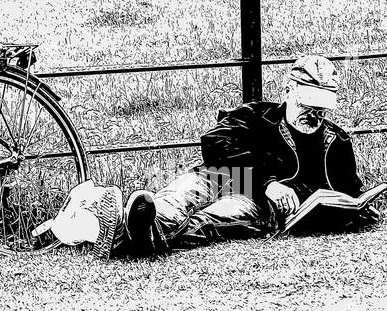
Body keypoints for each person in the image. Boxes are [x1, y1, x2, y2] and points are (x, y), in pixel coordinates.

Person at [93, 54, 372, 258]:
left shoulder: (336, 140)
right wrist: (268, 182)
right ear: (288, 92)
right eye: (309, 103)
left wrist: (358, 208)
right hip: (222, 177)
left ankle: (131, 235)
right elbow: (214, 143)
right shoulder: (254, 114)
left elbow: (348, 191)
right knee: (181, 195)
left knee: (212, 219)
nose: (316, 114)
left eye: (322, 106)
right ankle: (141, 223)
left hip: (255, 202)